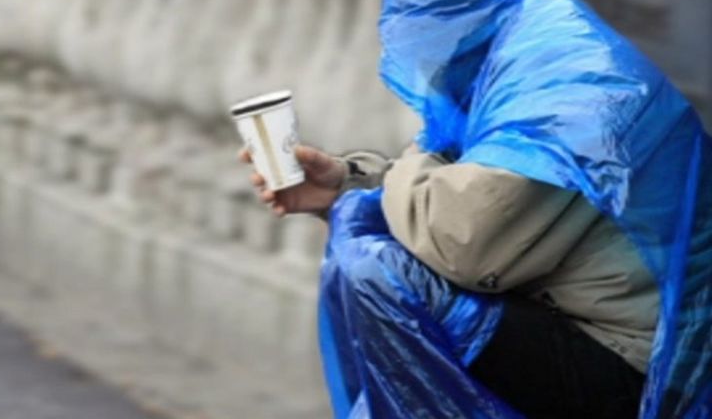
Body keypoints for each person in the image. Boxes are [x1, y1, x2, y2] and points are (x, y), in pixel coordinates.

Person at [240, 142, 656, 418]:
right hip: (566, 326)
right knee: (365, 247)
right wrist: (348, 183)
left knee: (382, 272)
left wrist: (416, 153)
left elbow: (462, 240)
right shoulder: (510, 70)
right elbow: (458, 189)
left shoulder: (572, 87)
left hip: (639, 370)